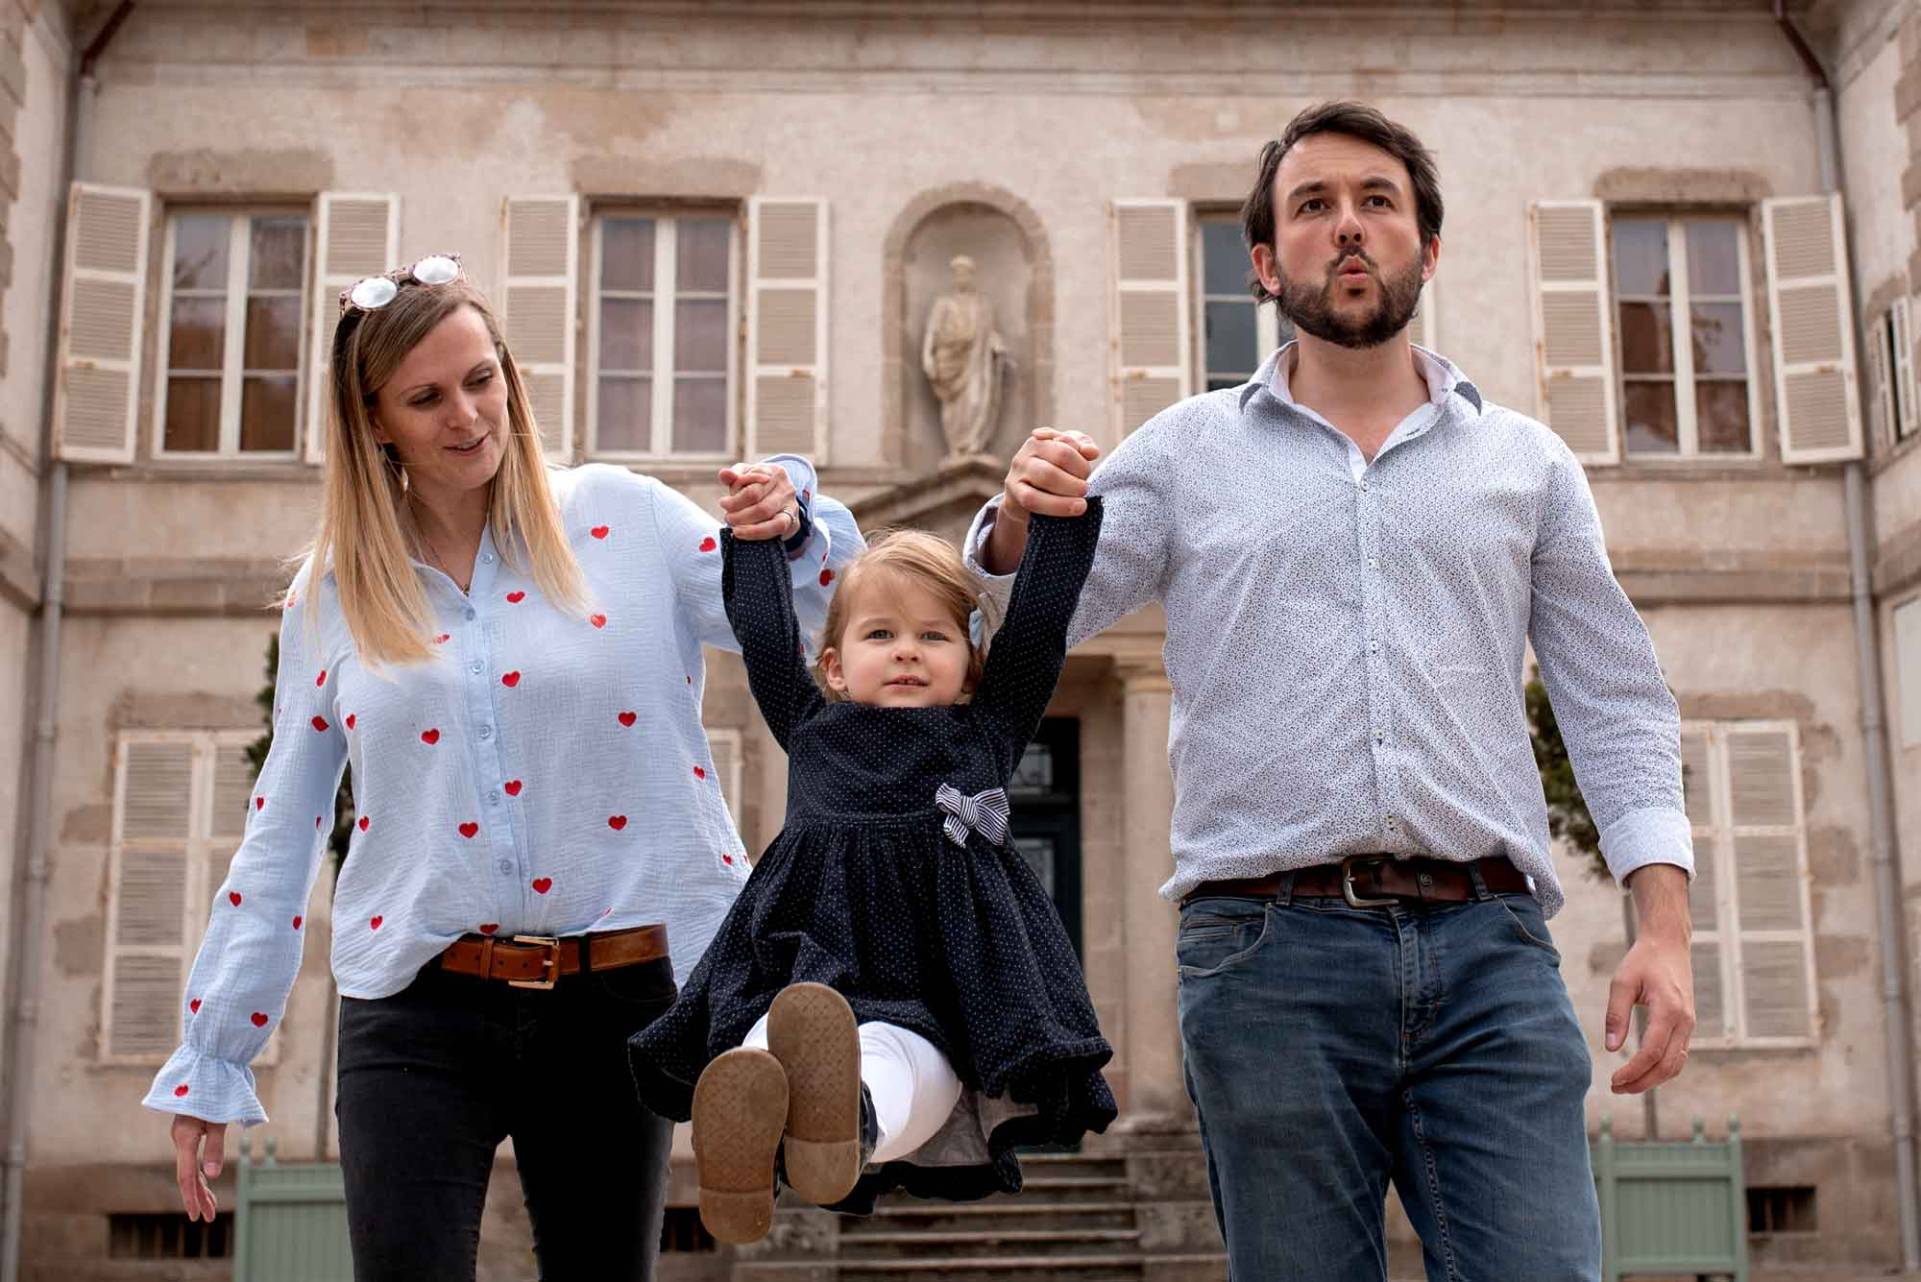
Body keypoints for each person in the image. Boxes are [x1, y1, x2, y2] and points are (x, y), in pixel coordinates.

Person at [967, 101, 1696, 1281]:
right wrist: (1011, 530)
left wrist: (1663, 930)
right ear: (1262, 261)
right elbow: (1008, 634)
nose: (1346, 228)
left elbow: (1614, 702)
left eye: (1376, 202)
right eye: (1312, 207)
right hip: (1266, 957)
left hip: (1491, 951)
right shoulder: (1184, 452)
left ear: (1426, 247)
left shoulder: (1527, 465)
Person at [141, 253, 861, 1282]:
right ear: (374, 419)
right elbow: (283, 823)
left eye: (482, 379)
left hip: (616, 1000)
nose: (468, 415)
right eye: (427, 397)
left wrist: (787, 515)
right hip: (416, 1008)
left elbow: (819, 617)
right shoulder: (333, 593)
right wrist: (214, 1057)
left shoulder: (625, 521)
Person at [628, 501, 1115, 1244]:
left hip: (936, 963)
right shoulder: (810, 724)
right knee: (774, 1033)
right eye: (880, 635)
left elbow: (1041, 632)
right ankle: (749, 1128)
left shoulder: (984, 728)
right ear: (834, 667)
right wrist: (755, 541)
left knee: (907, 1057)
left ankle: (843, 1123)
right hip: (814, 944)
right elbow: (763, 638)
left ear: (969, 667)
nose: (907, 652)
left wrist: (1063, 524)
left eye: (933, 636)